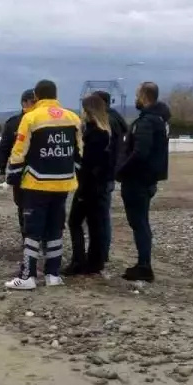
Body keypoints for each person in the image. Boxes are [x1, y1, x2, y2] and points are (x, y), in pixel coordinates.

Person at [3, 79, 82, 289]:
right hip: (64, 183)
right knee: (55, 229)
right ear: (55, 95)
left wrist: (12, 176)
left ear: (36, 96)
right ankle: (53, 275)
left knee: (33, 230)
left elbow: (19, 151)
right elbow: (79, 152)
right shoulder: (73, 118)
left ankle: (28, 276)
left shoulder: (31, 118)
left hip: (37, 183)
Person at [116, 81, 170, 282]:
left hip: (137, 180)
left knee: (139, 222)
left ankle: (144, 265)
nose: (135, 99)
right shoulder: (160, 120)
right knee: (141, 222)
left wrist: (121, 170)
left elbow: (140, 152)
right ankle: (143, 263)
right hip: (147, 179)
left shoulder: (147, 122)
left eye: (137, 95)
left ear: (144, 96)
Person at [65, 92, 114, 276]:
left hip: (89, 186)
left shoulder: (93, 135)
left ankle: (79, 261)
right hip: (99, 186)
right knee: (96, 224)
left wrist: (83, 189)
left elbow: (89, 166)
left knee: (74, 222)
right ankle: (95, 261)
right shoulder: (105, 132)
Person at [0, 88, 36, 238]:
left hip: (41, 172)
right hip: (21, 173)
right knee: (22, 207)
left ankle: (42, 240)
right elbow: (4, 148)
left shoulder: (43, 121)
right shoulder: (14, 123)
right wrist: (0, 169)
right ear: (24, 102)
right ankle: (26, 238)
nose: (36, 104)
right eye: (33, 102)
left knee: (41, 206)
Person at [103, 94, 129, 263]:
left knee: (101, 216)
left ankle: (101, 253)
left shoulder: (107, 122)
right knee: (104, 214)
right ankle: (103, 251)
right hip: (111, 173)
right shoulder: (117, 120)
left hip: (104, 174)